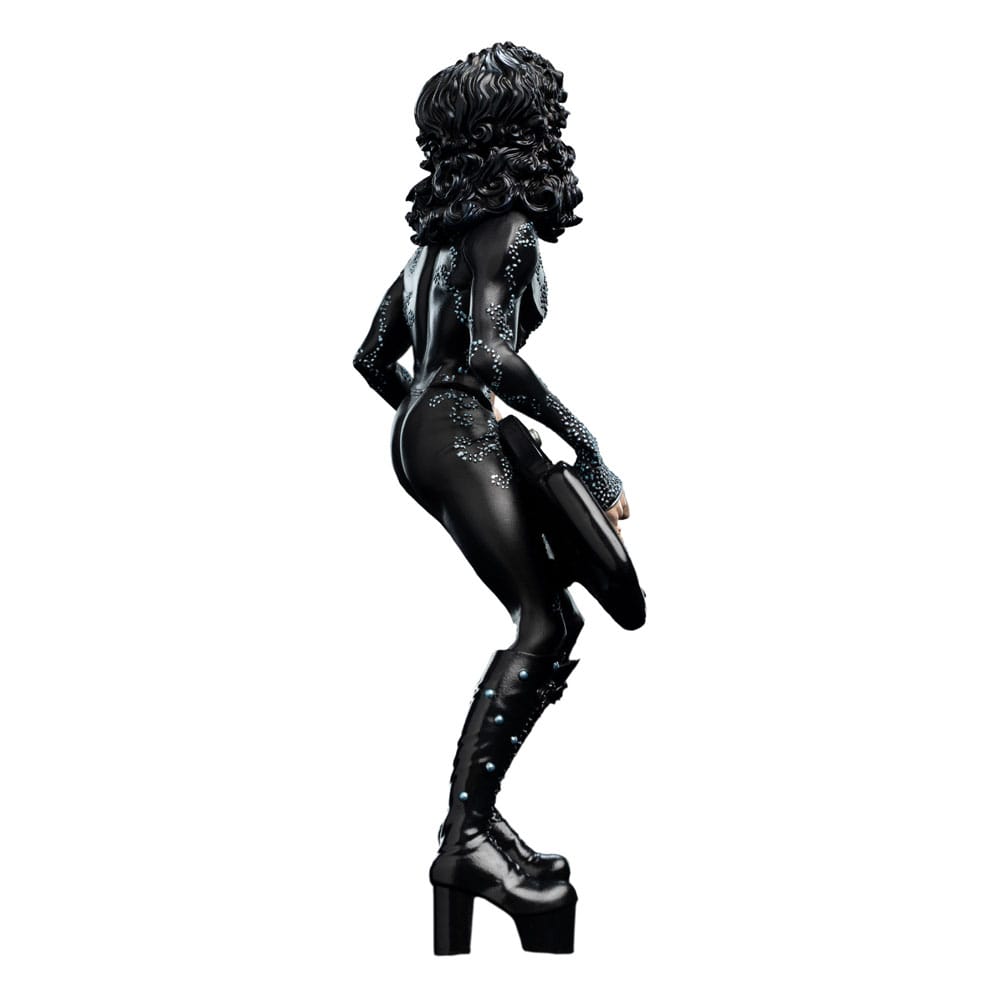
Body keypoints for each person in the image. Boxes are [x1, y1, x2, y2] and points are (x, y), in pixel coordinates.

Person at [352, 41, 630, 954]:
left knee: (553, 614)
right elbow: (491, 356)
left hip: (423, 429)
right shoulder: (507, 230)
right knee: (545, 622)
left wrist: (427, 431)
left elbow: (373, 360)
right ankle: (466, 841)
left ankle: (476, 832)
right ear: (525, 129)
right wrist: (588, 452)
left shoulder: (425, 250)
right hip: (458, 425)